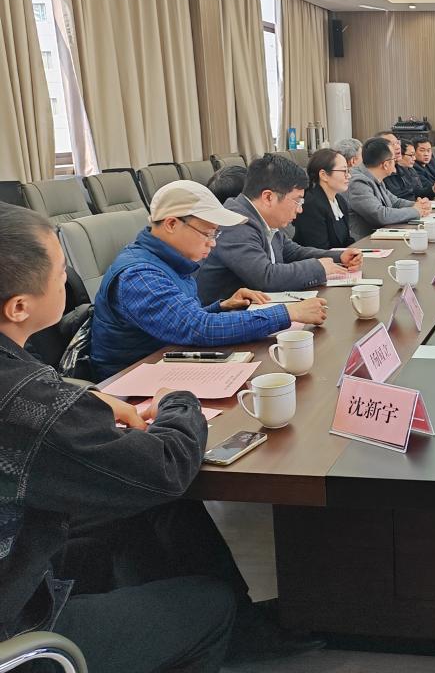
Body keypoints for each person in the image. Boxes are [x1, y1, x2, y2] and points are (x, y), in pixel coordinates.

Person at [1, 203, 323, 670]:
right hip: (18, 620)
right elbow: (165, 466)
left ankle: (231, 622)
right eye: (61, 269)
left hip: (24, 548)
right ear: (18, 307)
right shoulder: (25, 398)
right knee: (211, 603)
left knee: (149, 511)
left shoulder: (23, 386)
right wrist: (179, 401)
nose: (69, 279)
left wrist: (85, 401)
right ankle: (231, 627)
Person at [90, 180, 327, 380]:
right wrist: (288, 313)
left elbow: (178, 320)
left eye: (216, 233)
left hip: (167, 362)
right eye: (208, 233)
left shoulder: (172, 260)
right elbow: (198, 328)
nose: (212, 243)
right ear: (172, 224)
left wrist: (220, 307)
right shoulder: (140, 275)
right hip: (130, 384)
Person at [196, 154, 362, 305]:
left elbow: (293, 252)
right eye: (297, 201)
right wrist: (318, 268)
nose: (300, 210)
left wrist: (338, 256)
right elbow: (265, 277)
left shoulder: (261, 217)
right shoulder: (236, 222)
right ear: (269, 197)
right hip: (226, 318)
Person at [345, 137, 433, 241]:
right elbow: (380, 215)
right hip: (365, 243)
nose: (396, 162)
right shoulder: (358, 182)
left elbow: (395, 202)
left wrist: (418, 205)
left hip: (382, 236)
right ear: (385, 165)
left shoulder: (375, 176)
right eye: (394, 159)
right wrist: (415, 211)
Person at [292, 147, 355, 250]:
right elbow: (319, 250)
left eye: (348, 171)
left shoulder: (340, 200)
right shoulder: (310, 205)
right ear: (324, 175)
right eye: (344, 171)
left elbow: (346, 240)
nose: (349, 176)